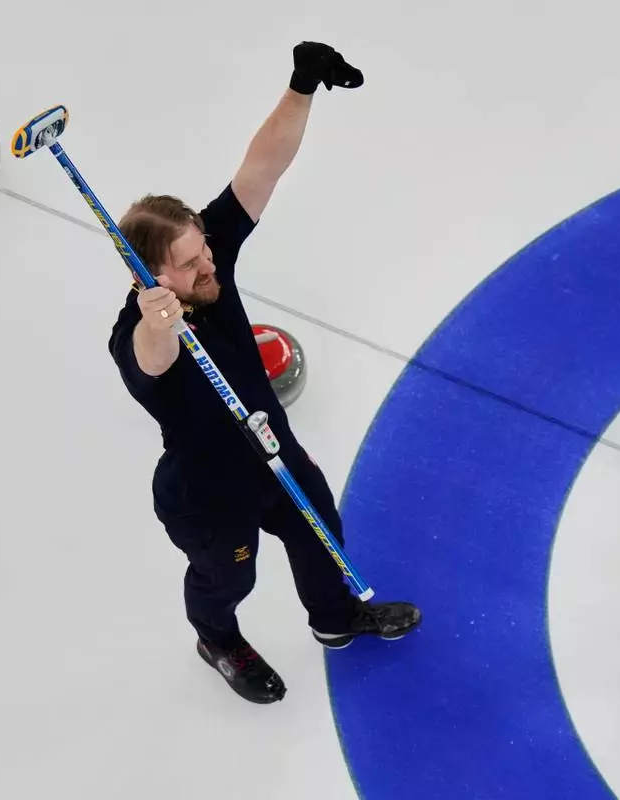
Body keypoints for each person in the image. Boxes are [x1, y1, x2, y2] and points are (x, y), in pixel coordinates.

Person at [107, 41, 421, 704]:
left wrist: (301, 86)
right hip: (209, 494)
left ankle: (336, 620)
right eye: (189, 264)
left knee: (321, 532)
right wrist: (159, 324)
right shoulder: (137, 333)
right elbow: (149, 361)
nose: (208, 266)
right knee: (229, 580)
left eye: (204, 249)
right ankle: (217, 640)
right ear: (149, 276)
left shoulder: (207, 258)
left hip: (272, 449)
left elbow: (261, 169)